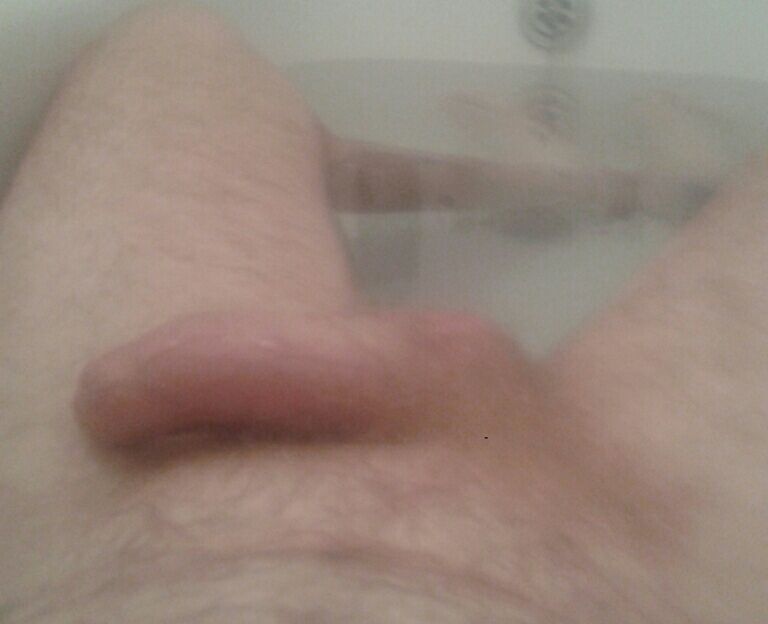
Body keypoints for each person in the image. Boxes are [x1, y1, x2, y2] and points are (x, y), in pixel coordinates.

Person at [1, 4, 766, 622]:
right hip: (658, 573)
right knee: (176, 49)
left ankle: (545, 182)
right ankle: (637, 188)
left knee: (174, 42)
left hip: (132, 536)